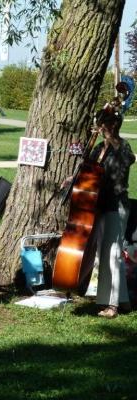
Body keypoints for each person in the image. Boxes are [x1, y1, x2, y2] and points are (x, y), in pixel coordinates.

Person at [90, 106, 135, 318]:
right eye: (99, 124)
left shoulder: (123, 147)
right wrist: (73, 179)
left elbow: (125, 164)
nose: (99, 128)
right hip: (99, 204)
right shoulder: (98, 147)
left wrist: (110, 140)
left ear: (113, 125)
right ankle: (123, 301)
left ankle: (112, 305)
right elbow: (88, 170)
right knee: (104, 253)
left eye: (103, 124)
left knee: (113, 253)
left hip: (117, 205)